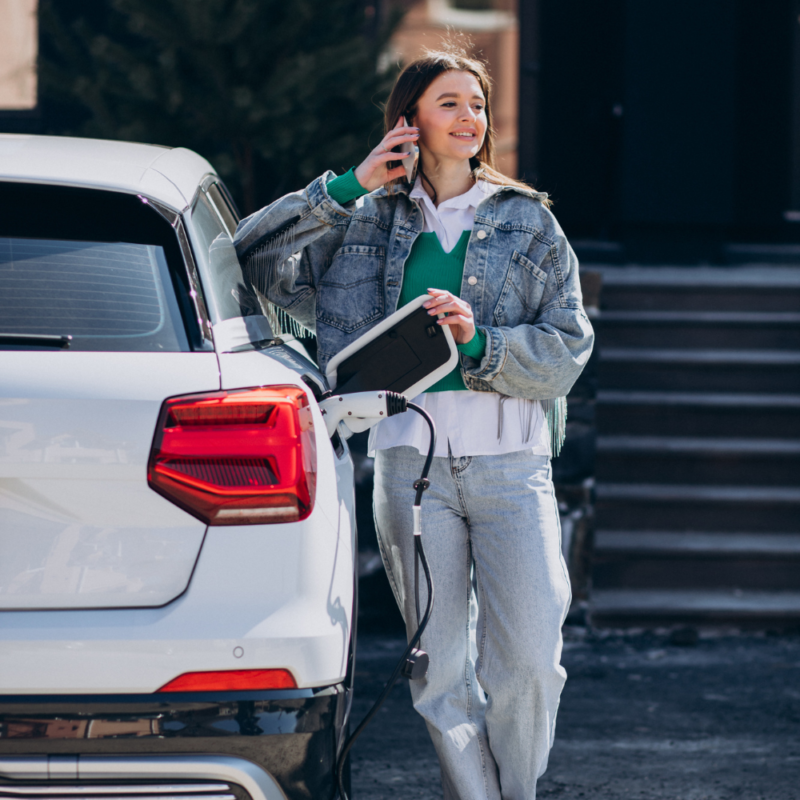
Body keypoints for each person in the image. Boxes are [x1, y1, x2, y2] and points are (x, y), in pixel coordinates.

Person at [234, 46, 594, 800]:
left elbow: (567, 348)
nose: (472, 118)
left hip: (510, 469)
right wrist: (350, 183)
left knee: (530, 660)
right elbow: (256, 260)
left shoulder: (527, 222)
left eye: (478, 104)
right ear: (410, 120)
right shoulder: (364, 221)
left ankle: (515, 790)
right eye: (451, 103)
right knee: (439, 663)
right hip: (410, 468)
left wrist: (481, 342)